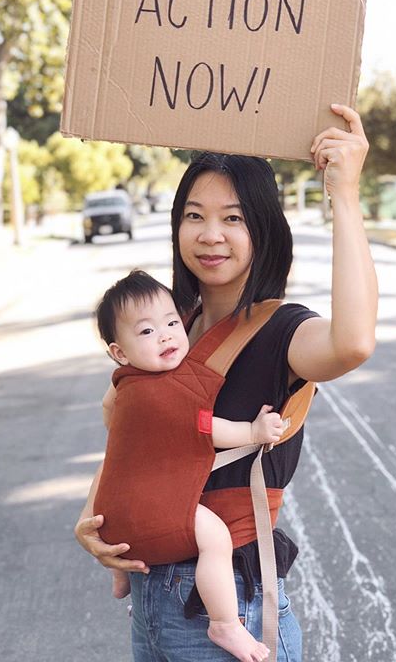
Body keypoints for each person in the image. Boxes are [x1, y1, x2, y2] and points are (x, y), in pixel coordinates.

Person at [75, 104, 378, 661]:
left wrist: (347, 194)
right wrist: (92, 514)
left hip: (228, 607)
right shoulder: (170, 328)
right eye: (195, 215)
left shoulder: (284, 332)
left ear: (263, 228)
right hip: (150, 600)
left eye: (233, 218)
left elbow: (353, 343)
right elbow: (134, 436)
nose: (210, 235)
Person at [95, 269, 285, 662]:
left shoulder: (124, 385)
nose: (165, 335)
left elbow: (107, 413)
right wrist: (253, 430)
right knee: (215, 536)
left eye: (170, 323)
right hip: (146, 516)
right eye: (146, 332)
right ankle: (224, 623)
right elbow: (204, 428)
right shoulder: (159, 391)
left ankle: (122, 579)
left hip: (113, 518)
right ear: (120, 352)